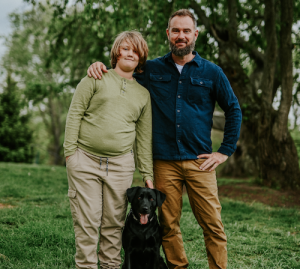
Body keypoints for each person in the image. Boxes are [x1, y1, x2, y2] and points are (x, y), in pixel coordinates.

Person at [88, 9, 242, 269]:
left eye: (185, 31)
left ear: (195, 34)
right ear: (168, 34)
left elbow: (233, 109)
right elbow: (121, 73)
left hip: (200, 161)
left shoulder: (212, 72)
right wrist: (100, 66)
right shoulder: (151, 69)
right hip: (164, 162)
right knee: (169, 226)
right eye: (175, 31)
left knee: (213, 225)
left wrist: (224, 151)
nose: (180, 36)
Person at [64, 30, 153, 269]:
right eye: (125, 48)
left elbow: (143, 138)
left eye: (136, 51)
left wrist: (147, 175)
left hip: (120, 165)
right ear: (116, 52)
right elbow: (74, 115)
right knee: (88, 221)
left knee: (114, 224)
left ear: (141, 57)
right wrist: (70, 155)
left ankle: (111, 266)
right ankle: (86, 265)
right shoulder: (95, 78)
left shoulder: (143, 95)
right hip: (85, 161)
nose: (130, 54)